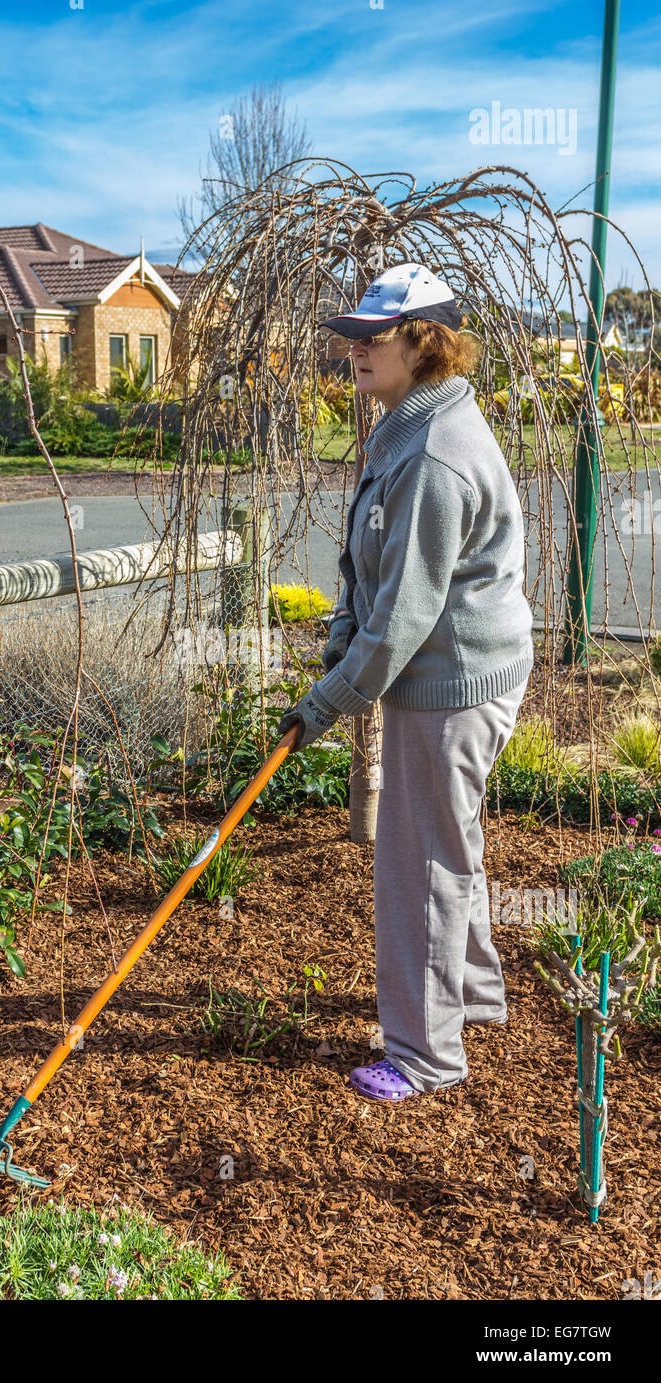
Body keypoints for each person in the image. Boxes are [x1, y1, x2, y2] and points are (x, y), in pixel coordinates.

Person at [278, 262, 534, 1102]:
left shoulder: (433, 454)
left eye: (372, 337)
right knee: (446, 840)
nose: (354, 349)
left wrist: (325, 703)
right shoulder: (414, 422)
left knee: (419, 862)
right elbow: (376, 563)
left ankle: (426, 1055)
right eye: (350, 335)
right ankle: (474, 998)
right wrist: (341, 635)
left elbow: (406, 616)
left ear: (424, 343)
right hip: (457, 667)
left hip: (453, 680)